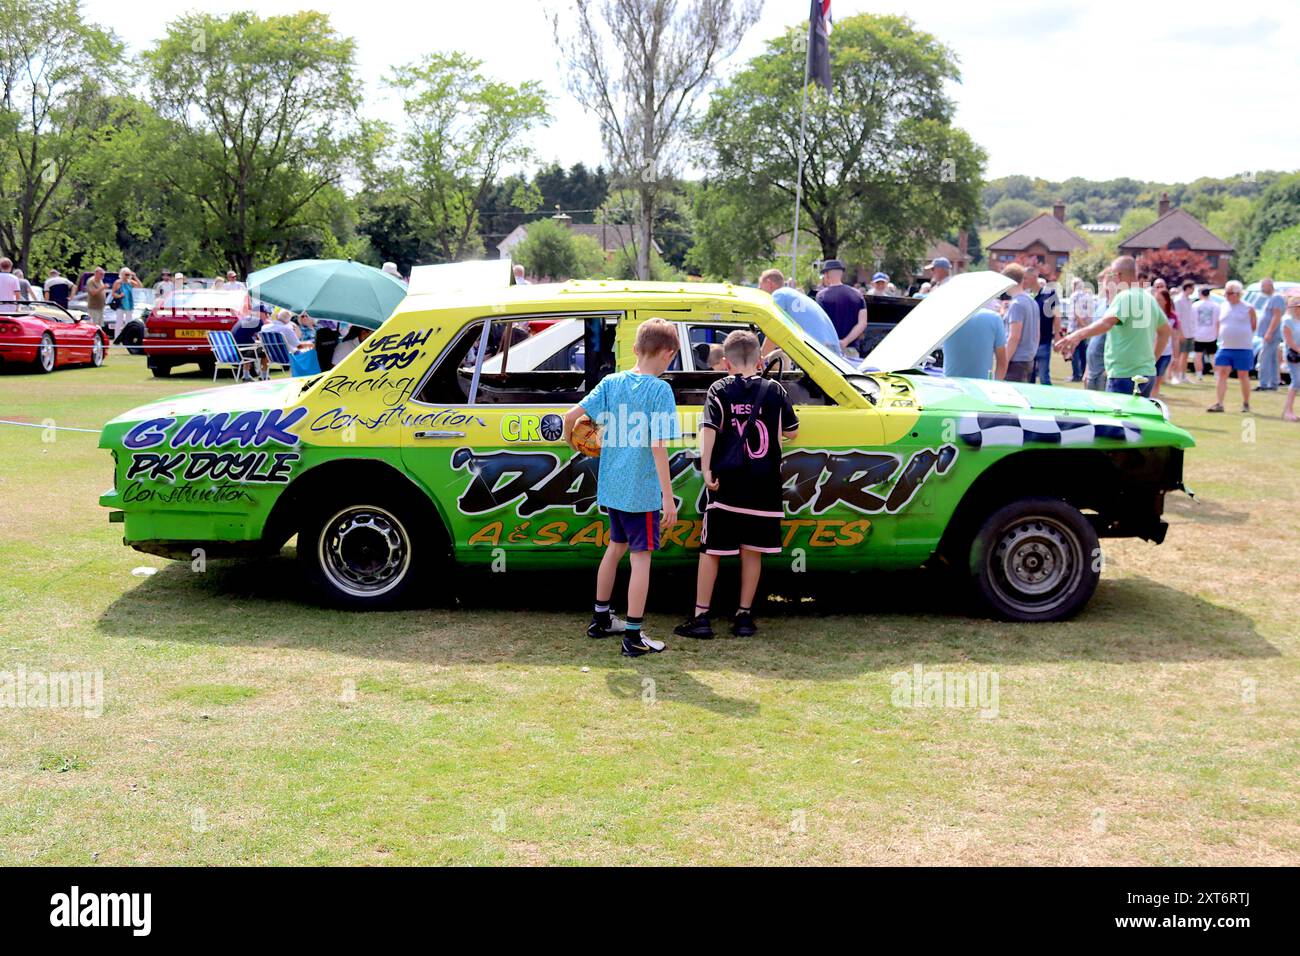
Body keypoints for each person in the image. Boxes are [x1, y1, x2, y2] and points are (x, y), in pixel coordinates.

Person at [563, 319, 680, 657]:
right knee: (641, 558)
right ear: (669, 354)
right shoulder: (660, 390)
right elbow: (659, 447)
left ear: (634, 349)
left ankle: (600, 618)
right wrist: (668, 498)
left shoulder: (611, 382)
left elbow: (571, 416)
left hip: (613, 486)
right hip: (641, 491)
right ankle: (632, 635)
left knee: (615, 548)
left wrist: (575, 444)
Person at [674, 330, 799, 640]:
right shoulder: (775, 390)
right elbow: (793, 432)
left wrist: (706, 469)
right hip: (764, 482)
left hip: (726, 483)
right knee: (752, 552)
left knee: (711, 551)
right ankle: (744, 616)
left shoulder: (719, 389)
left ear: (726, 362)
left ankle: (701, 616)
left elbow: (709, 430)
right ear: (759, 360)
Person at [1055, 256, 1169, 398]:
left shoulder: (1124, 297)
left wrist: (1075, 335)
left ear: (1119, 275)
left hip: (1124, 375)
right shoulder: (1149, 298)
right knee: (1136, 419)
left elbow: (1106, 323)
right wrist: (1152, 359)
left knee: (1115, 419)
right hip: (1146, 374)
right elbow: (1165, 332)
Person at [758, 269, 841, 356]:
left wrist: (761, 359)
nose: (760, 290)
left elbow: (773, 331)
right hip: (830, 351)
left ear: (769, 283)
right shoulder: (792, 295)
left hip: (820, 351)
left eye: (760, 287)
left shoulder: (779, 295)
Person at [1207, 280, 1257, 413]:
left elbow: (1253, 325)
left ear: (1238, 294)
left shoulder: (1248, 307)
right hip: (1225, 346)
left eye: (1230, 293)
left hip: (1243, 347)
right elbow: (1219, 323)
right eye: (1226, 293)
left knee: (1243, 375)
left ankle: (1246, 403)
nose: (1227, 295)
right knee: (1222, 373)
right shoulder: (1223, 306)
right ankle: (1219, 403)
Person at [942, 299, 1008, 380]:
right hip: (981, 386)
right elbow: (1002, 361)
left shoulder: (945, 317)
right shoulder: (994, 318)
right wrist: (995, 385)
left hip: (951, 384)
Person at [815, 259, 868, 354]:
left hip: (829, 349)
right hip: (852, 349)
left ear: (826, 275)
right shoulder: (858, 294)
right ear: (841, 274)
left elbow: (820, 323)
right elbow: (862, 323)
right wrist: (846, 341)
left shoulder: (821, 296)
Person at [1002, 264, 1039, 382]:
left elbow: (1014, 337)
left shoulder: (1016, 304)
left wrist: (1004, 361)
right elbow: (1037, 334)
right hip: (1028, 359)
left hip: (1016, 361)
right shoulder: (1032, 302)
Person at [1255, 278, 1286, 391]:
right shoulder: (1271, 298)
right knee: (1272, 359)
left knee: (1265, 358)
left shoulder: (1277, 298)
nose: (1261, 288)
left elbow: (1276, 316)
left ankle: (1263, 383)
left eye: (1263, 286)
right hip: (1269, 333)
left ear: (1269, 285)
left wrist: (1269, 332)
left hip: (1272, 334)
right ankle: (1273, 383)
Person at [1031, 277, 1061, 385]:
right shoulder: (1031, 296)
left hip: (1044, 340)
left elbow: (1057, 316)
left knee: (1044, 376)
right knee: (1029, 376)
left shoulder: (1050, 295)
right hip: (1030, 342)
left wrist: (1057, 334)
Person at [1149, 285, 1177, 398]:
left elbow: (1175, 337)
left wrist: (1176, 356)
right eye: (1155, 300)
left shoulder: (1172, 317)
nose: (1157, 302)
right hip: (1150, 351)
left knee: (1157, 379)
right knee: (1147, 379)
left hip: (1165, 352)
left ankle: (1153, 400)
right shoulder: (1150, 314)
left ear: (1166, 301)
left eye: (1159, 300)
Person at [1066, 278, 1094, 381]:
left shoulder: (1074, 296)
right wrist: (1086, 327)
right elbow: (1090, 314)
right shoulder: (1088, 296)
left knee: (1074, 352)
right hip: (1086, 328)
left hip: (1075, 328)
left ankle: (1076, 375)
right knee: (1083, 352)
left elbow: (1077, 312)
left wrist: (1081, 326)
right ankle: (1083, 373)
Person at [1170, 280, 1197, 384]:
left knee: (1185, 355)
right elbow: (1178, 318)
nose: (1193, 290)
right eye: (1192, 288)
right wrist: (1180, 333)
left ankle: (1183, 375)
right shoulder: (1178, 300)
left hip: (1189, 332)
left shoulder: (1189, 301)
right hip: (1182, 332)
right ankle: (1174, 375)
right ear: (1188, 288)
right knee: (1178, 355)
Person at [1282, 294, 1300, 422]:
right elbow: (1289, 341)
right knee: (1296, 381)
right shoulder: (1288, 321)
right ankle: (1288, 411)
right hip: (1292, 354)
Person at [109, 269, 141, 338]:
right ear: (122, 274)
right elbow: (113, 294)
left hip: (129, 305)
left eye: (128, 275)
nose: (127, 276)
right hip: (121, 305)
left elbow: (140, 286)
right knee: (119, 322)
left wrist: (135, 277)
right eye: (126, 274)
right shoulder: (118, 283)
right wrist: (119, 296)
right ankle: (117, 337)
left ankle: (128, 337)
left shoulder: (130, 282)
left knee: (129, 322)